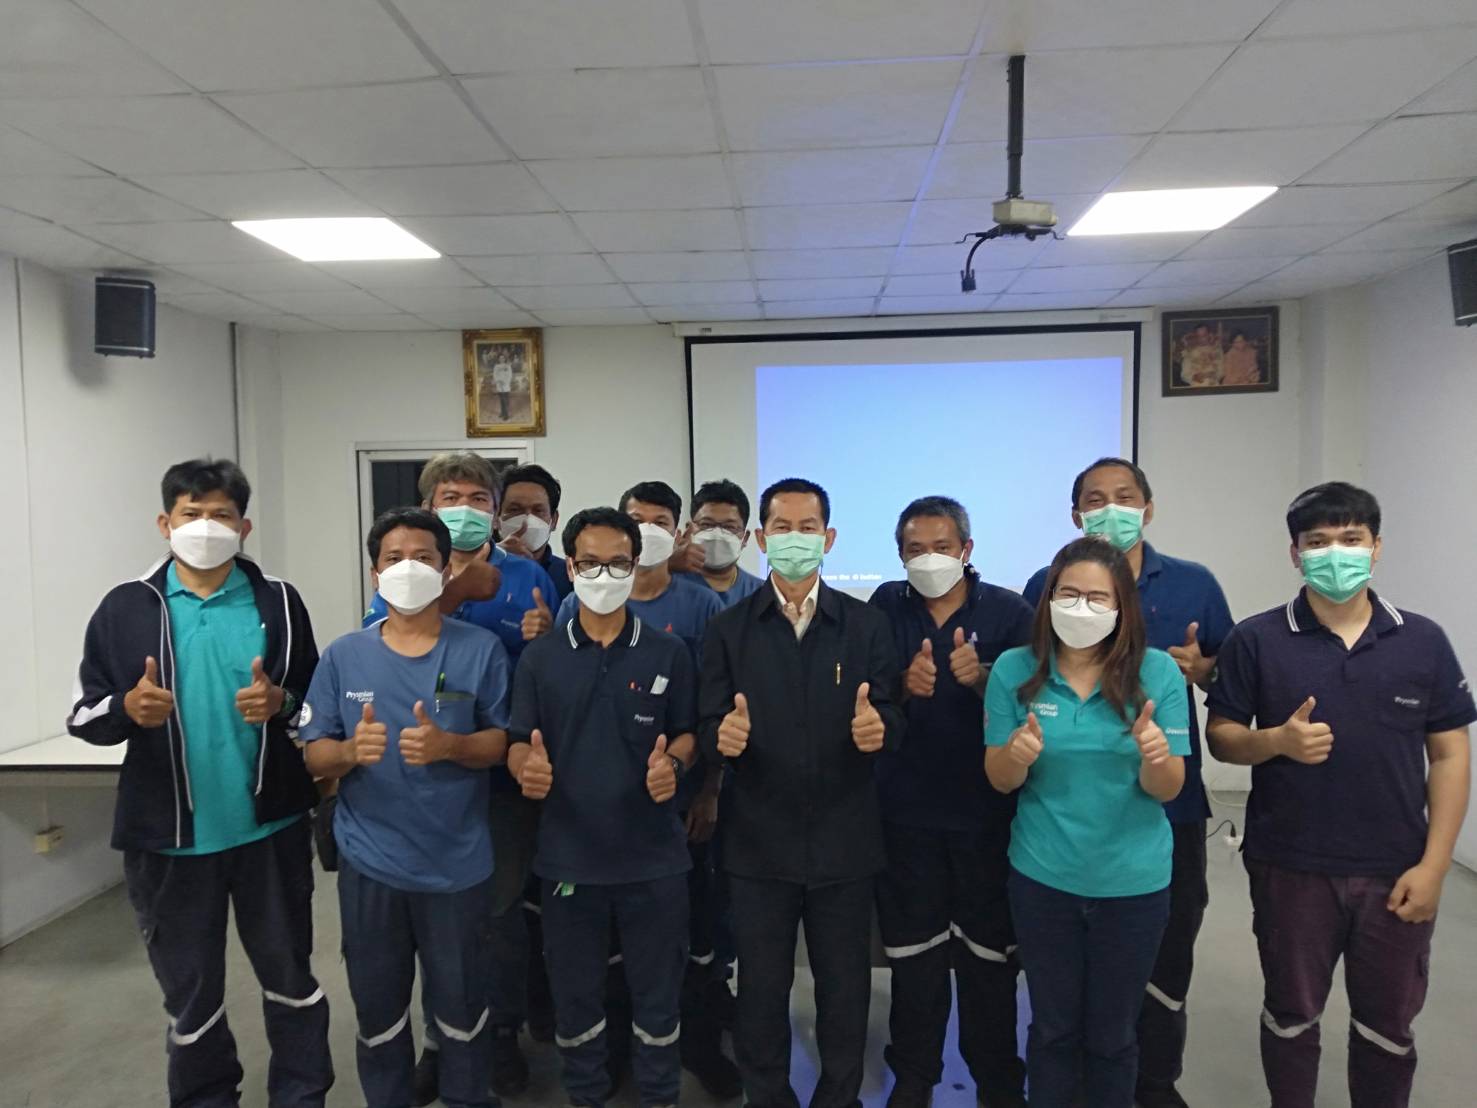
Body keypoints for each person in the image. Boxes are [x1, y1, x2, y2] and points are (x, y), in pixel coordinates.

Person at [68, 458, 332, 1108]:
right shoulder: (126, 607)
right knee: (192, 998)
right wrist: (127, 708)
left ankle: (302, 1094)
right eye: (192, 514)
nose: (206, 527)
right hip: (170, 839)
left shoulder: (279, 600)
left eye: (221, 515)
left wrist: (282, 704)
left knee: (291, 977)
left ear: (244, 526)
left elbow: (315, 706)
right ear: (165, 523)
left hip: (269, 829)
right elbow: (83, 714)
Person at [1206, 482, 1473, 1108]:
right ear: (1295, 553)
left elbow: (1450, 754)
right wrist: (1276, 740)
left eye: (1351, 539)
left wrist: (1436, 865)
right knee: (1291, 1014)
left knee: (1388, 1026)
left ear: (1376, 547)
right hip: (1290, 866)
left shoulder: (1422, 640)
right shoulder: (1256, 638)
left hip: (1396, 870)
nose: (1336, 553)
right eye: (1318, 541)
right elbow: (1222, 738)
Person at [1023, 456, 1234, 1108]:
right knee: (1067, 981)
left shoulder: (1194, 584)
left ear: (1148, 507)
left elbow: (1233, 677)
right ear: (1074, 514)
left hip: (1168, 807)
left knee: (1165, 959)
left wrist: (1204, 670)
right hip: (1066, 811)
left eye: (1123, 495)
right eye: (1094, 498)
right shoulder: (1043, 584)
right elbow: (1027, 676)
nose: (1109, 507)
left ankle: (1154, 1083)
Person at [700, 477, 905, 1108]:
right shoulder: (729, 629)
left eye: (807, 527)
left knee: (844, 988)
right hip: (758, 842)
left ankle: (839, 1097)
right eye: (782, 528)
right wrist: (721, 737)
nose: (795, 539)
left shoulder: (866, 626)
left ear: (829, 538)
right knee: (762, 991)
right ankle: (768, 1096)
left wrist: (881, 728)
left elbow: (893, 713)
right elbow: (706, 723)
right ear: (761, 539)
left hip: (845, 840)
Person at [361, 452, 553, 1104]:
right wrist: (455, 591)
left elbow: (553, 670)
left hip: (499, 776)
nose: (465, 509)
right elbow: (379, 644)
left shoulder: (526, 574)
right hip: (422, 781)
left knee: (497, 917)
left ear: (495, 512)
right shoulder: (406, 576)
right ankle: (439, 1042)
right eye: (451, 497)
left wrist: (544, 635)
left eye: (478, 498)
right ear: (428, 506)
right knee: (430, 922)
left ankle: (500, 1033)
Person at [302, 508, 511, 1108]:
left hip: (457, 866)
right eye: (394, 558)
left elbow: (502, 743)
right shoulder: (344, 655)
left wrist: (452, 747)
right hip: (372, 865)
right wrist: (349, 752)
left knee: (463, 1009)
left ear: (446, 571)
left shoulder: (481, 650)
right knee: (379, 1011)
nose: (408, 568)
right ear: (375, 574)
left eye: (423, 558)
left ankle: (468, 1097)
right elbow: (314, 757)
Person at [986, 537, 1189, 1108]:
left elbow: (1168, 788)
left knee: (1112, 1035)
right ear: (1048, 599)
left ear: (1122, 605)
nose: (1081, 607)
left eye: (1098, 597)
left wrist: (1156, 756)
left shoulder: (1158, 673)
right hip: (1044, 880)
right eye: (1068, 594)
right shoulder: (1014, 669)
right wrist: (1017, 755)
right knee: (1052, 1030)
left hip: (1133, 886)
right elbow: (1000, 779)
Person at [508, 507, 700, 1108]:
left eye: (618, 563)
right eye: (589, 563)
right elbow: (517, 740)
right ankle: (586, 1093)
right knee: (577, 999)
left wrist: (675, 767)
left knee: (658, 997)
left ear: (635, 565)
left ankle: (660, 1095)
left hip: (654, 859)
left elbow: (688, 734)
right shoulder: (540, 657)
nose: (604, 574)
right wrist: (525, 767)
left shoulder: (668, 653)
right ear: (570, 567)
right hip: (569, 859)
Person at [554, 480, 738, 1098]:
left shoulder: (694, 613)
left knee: (683, 947)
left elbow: (701, 718)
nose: (604, 574)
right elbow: (549, 710)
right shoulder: (564, 621)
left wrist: (700, 783)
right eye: (637, 519)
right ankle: (608, 1062)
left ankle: (690, 1052)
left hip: (670, 816)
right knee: (598, 960)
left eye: (660, 521)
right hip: (583, 831)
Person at [868, 496, 1035, 1108]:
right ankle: (914, 1078)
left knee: (990, 961)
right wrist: (902, 686)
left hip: (986, 817)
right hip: (905, 813)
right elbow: (863, 690)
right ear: (900, 555)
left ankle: (997, 1081)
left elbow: (1040, 700)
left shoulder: (1011, 612)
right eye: (915, 549)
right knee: (914, 958)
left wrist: (983, 679)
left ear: (967, 549)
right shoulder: (886, 605)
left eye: (942, 547)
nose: (929, 559)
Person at [670, 479, 767, 609]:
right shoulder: (667, 585)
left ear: (745, 538)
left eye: (729, 527)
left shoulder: (761, 594)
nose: (717, 534)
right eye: (706, 524)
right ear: (689, 530)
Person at [498, 462, 574, 602]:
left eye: (538, 511)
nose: (528, 519)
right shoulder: (480, 570)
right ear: (496, 518)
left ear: (554, 520)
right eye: (515, 510)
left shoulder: (569, 577)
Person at [493, 348, 514, 421]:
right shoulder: (496, 366)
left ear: (505, 359)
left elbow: (510, 375)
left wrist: (505, 382)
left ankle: (506, 414)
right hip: (499, 385)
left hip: (506, 385)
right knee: (501, 400)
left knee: (506, 400)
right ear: (498, 359)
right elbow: (495, 375)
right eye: (500, 358)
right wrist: (499, 381)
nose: (501, 359)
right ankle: (502, 412)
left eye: (503, 358)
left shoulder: (508, 366)